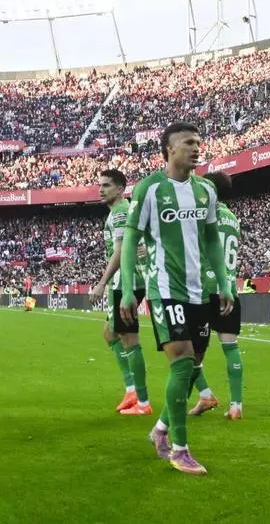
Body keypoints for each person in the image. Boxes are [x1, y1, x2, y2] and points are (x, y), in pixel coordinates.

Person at [120, 122, 233, 476]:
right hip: (166, 289)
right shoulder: (150, 188)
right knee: (182, 363)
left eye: (199, 142)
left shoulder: (206, 190)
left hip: (201, 291)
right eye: (188, 143)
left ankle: (160, 429)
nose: (197, 148)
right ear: (169, 149)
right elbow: (130, 239)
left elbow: (212, 239)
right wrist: (128, 288)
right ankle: (180, 450)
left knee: (192, 365)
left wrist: (224, 282)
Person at [88, 169, 153, 416]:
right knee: (110, 333)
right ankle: (131, 390)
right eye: (100, 185)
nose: (101, 189)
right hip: (127, 280)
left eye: (106, 185)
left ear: (120, 189)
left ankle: (142, 401)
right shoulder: (119, 211)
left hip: (127, 281)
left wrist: (102, 282)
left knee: (128, 339)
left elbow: (120, 251)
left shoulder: (120, 212)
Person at [186, 170, 245, 421]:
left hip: (204, 289)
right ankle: (236, 406)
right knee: (230, 347)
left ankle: (205, 394)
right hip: (229, 288)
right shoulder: (233, 218)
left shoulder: (203, 215)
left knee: (186, 351)